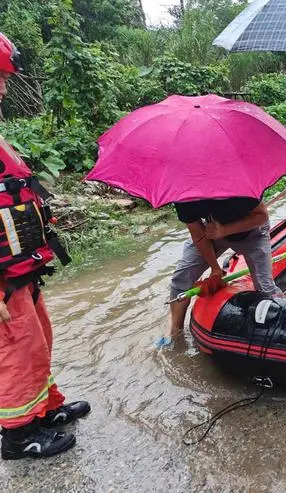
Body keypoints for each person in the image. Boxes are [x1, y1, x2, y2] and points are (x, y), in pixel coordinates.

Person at [0, 33, 90, 460]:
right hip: (3, 280)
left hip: (22, 269)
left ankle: (43, 409)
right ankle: (18, 436)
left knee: (38, 340)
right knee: (16, 349)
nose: (3, 87)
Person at [168, 197, 281, 340]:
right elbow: (197, 232)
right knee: (181, 280)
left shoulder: (237, 183)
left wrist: (224, 230)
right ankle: (175, 334)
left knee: (266, 290)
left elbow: (261, 215)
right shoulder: (182, 195)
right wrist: (215, 268)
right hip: (212, 232)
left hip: (251, 232)